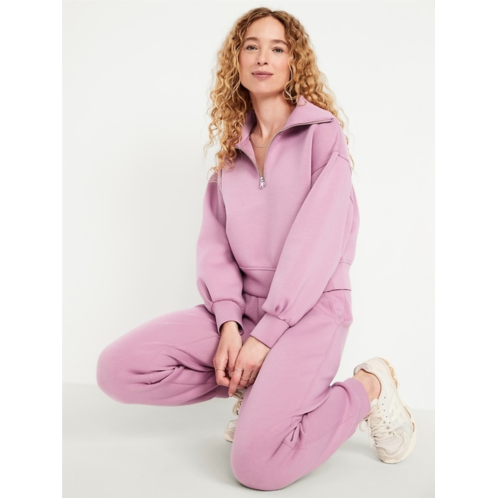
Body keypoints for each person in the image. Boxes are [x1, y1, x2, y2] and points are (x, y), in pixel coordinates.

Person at [96, 7, 416, 491]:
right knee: (118, 370)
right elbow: (216, 248)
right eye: (251, 46)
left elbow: (317, 244)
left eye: (277, 48)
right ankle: (260, 391)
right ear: (237, 62)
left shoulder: (322, 136)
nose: (263, 57)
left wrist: (265, 338)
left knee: (257, 468)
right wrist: (229, 322)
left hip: (310, 311)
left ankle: (368, 388)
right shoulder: (231, 154)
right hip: (244, 312)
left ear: (293, 63)